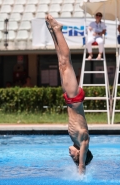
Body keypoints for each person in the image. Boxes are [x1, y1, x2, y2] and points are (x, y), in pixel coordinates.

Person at [45, 14, 93, 174]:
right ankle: (58, 29)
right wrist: (81, 167)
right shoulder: (84, 140)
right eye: (74, 157)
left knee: (61, 63)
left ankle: (53, 32)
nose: (70, 155)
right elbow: (83, 165)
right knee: (66, 62)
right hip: (75, 97)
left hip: (70, 99)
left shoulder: (75, 140)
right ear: (80, 154)